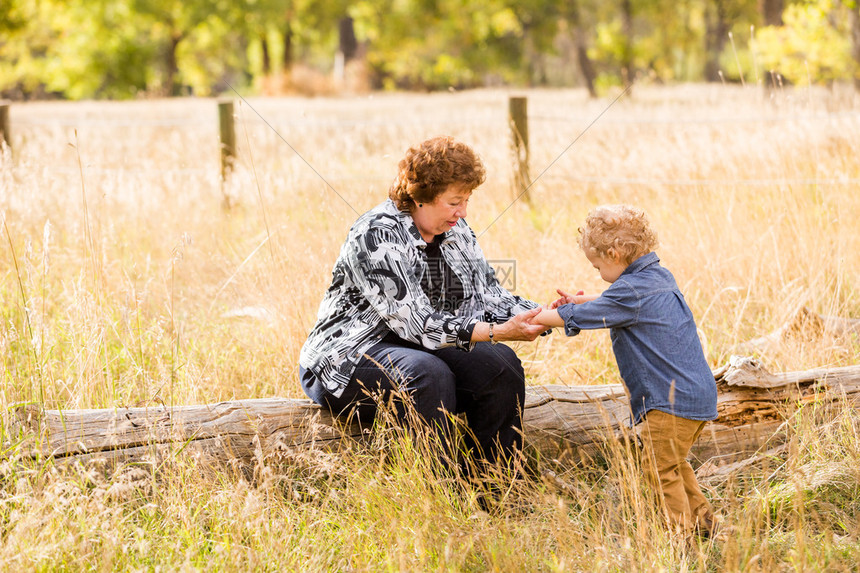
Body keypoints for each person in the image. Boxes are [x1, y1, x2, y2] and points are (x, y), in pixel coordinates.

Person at [299, 136, 546, 472]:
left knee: (500, 364)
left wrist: (555, 314)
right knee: (429, 375)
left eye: (467, 200)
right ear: (421, 196)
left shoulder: (456, 231)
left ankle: (497, 487)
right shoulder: (377, 235)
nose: (463, 212)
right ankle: (442, 496)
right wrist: (497, 330)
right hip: (349, 356)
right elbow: (415, 323)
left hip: (415, 347)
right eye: (454, 202)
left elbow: (488, 296)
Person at [531, 204, 718, 537]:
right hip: (696, 394)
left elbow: (601, 309)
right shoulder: (656, 276)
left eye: (597, 265)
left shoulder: (630, 293)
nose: (597, 271)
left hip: (669, 402)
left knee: (659, 471)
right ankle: (705, 525)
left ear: (614, 254)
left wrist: (537, 317)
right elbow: (612, 298)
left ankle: (683, 538)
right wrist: (580, 299)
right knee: (674, 464)